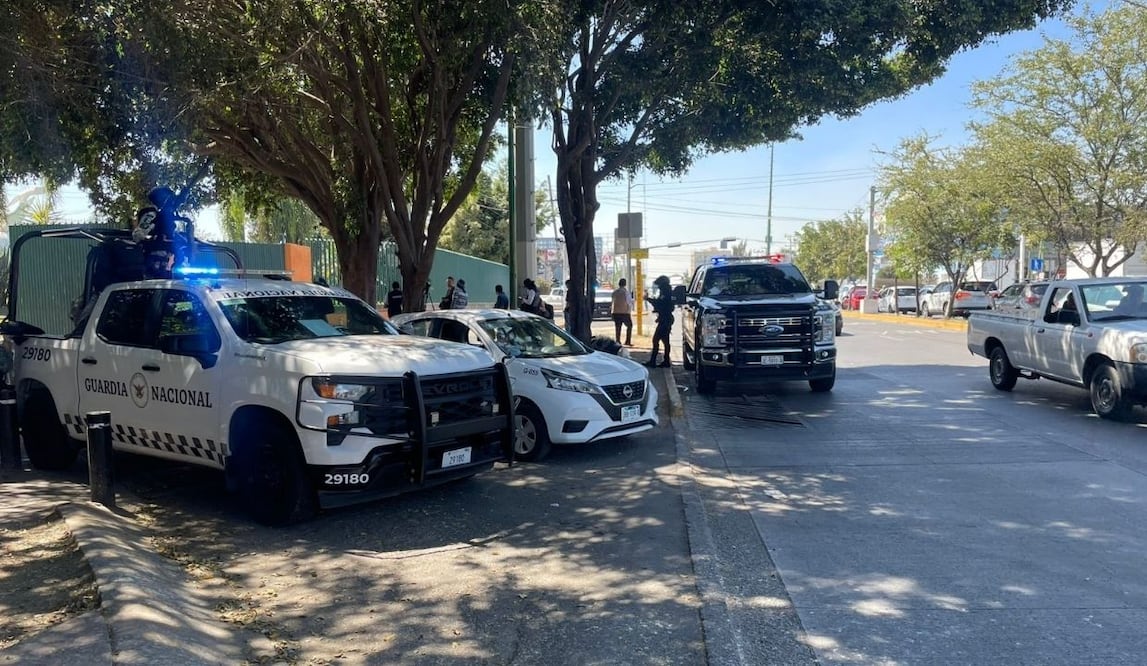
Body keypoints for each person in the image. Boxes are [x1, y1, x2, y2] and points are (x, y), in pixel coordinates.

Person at [645, 275, 675, 368]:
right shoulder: (666, 291)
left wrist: (648, 299)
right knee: (665, 341)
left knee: (656, 339)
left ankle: (654, 361)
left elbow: (660, 304)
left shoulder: (666, 292)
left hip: (665, 319)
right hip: (665, 318)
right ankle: (665, 361)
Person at [611, 278, 633, 346]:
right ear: (625, 284)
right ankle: (627, 341)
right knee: (629, 326)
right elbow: (629, 302)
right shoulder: (626, 292)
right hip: (625, 312)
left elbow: (612, 300)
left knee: (618, 327)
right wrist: (630, 308)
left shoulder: (615, 292)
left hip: (615, 312)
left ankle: (618, 341)